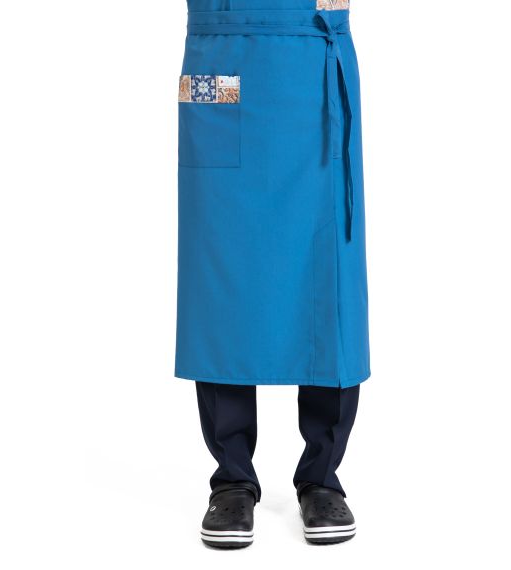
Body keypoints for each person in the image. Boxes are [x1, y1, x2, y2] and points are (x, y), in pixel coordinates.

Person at [175, 0, 370, 548]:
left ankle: (322, 477)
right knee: (220, 282)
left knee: (328, 281)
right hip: (221, 61)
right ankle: (232, 479)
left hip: (313, 66)